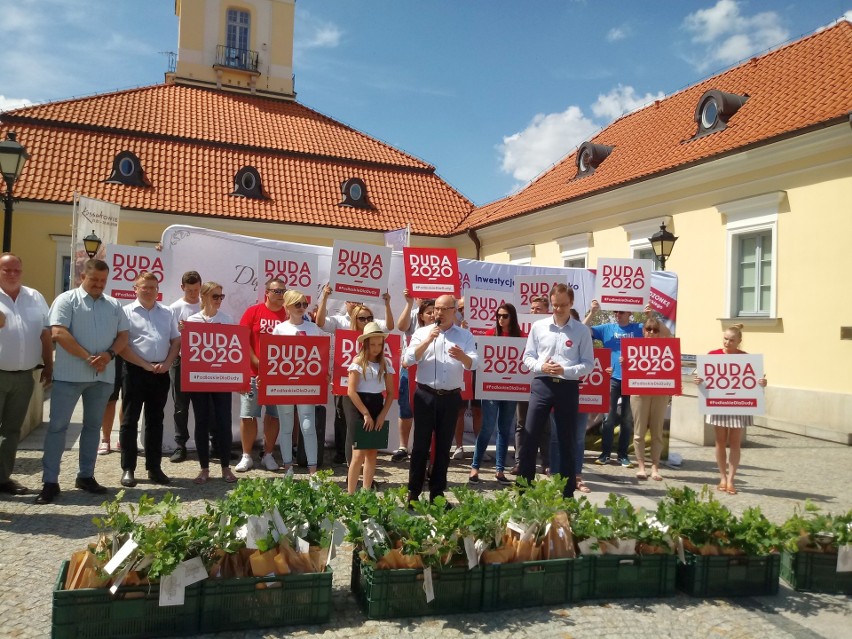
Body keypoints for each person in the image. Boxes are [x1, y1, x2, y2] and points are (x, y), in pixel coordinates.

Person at [36, 259, 129, 504]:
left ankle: (85, 476)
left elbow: (124, 335)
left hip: (103, 376)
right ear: (82, 277)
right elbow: (58, 332)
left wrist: (108, 355)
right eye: (94, 280)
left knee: (92, 428)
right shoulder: (66, 300)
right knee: (58, 428)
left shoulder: (114, 305)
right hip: (70, 376)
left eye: (102, 281)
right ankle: (50, 481)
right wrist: (88, 357)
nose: (98, 284)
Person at [520, 284, 594, 497]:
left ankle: (568, 493)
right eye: (555, 306)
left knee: (566, 439)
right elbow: (527, 357)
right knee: (530, 436)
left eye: (563, 305)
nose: (559, 309)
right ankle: (524, 490)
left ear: (571, 303)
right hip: (542, 384)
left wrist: (566, 370)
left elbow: (588, 364)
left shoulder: (581, 330)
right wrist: (541, 366)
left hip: (567, 386)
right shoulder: (539, 327)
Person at [404, 294, 477, 504]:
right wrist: (427, 341)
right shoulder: (422, 332)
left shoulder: (464, 335)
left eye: (444, 309)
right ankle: (413, 492)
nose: (439, 313)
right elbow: (408, 360)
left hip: (451, 397)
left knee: (444, 447)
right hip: (425, 394)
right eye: (436, 309)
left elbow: (474, 363)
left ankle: (437, 493)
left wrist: (463, 357)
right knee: (420, 446)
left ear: (454, 311)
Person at [117, 272, 181, 487]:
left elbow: (175, 341)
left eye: (153, 287)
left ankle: (154, 468)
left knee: (155, 422)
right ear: (135, 288)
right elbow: (122, 346)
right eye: (144, 287)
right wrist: (145, 365)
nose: (149, 290)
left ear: (157, 289)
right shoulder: (125, 312)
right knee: (129, 421)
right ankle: (128, 468)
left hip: (160, 372)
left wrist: (167, 363)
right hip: (135, 371)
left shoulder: (167, 312)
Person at [317, 285, 393, 464]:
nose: (366, 320)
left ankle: (363, 468)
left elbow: (389, 327)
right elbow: (320, 323)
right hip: (345, 382)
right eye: (362, 318)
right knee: (345, 422)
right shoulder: (340, 321)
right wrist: (325, 298)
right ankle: (344, 457)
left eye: (369, 318)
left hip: (367, 388)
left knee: (360, 428)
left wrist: (388, 304)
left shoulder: (374, 329)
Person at [0, 253, 52, 496]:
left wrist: (49, 365)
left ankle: (2, 478)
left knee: (12, 431)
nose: (12, 274)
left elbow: (45, 333)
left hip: (24, 376)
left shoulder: (34, 297)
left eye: (16, 270)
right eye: (6, 269)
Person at [694, 324, 767, 495]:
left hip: (739, 404)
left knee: (735, 442)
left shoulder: (746, 358)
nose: (727, 343)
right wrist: (698, 380)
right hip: (718, 403)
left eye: (732, 340)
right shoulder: (713, 355)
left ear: (739, 341)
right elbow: (701, 375)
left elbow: (757, 378)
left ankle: (731, 479)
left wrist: (762, 383)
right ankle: (722, 477)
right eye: (725, 339)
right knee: (720, 441)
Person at [584, 300, 656, 468]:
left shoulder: (638, 328)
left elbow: (656, 335)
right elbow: (581, 330)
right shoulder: (607, 328)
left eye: (621, 312)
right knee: (608, 419)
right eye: (616, 311)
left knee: (627, 420)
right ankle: (605, 454)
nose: (617, 314)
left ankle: (623, 456)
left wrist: (650, 316)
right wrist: (592, 312)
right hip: (612, 379)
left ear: (630, 313)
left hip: (633, 381)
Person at [185, 282, 237, 484]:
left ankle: (225, 467)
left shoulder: (227, 319)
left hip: (221, 378)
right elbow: (186, 352)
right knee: (202, 422)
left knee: (224, 422)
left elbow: (234, 348)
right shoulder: (191, 320)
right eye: (215, 296)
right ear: (204, 296)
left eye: (221, 296)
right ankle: (204, 468)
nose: (218, 300)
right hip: (199, 379)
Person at [271, 289, 325, 476]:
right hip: (284, 383)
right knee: (286, 426)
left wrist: (325, 374)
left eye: (304, 304)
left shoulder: (312, 328)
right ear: (287, 307)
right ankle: (288, 469)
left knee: (308, 426)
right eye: (297, 304)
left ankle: (313, 472)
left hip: (307, 383)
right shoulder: (279, 329)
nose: (302, 308)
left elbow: (320, 355)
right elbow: (273, 358)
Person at [236, 278, 287, 472]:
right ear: (267, 292)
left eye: (283, 291)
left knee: (274, 416)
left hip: (277, 376)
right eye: (277, 291)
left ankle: (268, 454)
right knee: (248, 415)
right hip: (253, 373)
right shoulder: (253, 311)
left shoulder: (287, 314)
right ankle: (247, 455)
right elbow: (243, 338)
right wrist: (256, 361)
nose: (281, 295)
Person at [469, 303, 522, 485]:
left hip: (511, 389)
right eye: (498, 315)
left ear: (512, 317)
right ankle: (475, 467)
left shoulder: (521, 336)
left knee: (504, 430)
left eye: (505, 316)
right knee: (487, 427)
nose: (501, 319)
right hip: (491, 389)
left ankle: (499, 470)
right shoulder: (490, 335)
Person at [344, 321, 395, 494]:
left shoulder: (386, 363)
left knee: (372, 453)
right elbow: (351, 391)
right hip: (359, 407)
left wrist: (381, 415)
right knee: (358, 453)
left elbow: (390, 393)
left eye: (379, 344)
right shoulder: (358, 361)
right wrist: (365, 413)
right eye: (372, 344)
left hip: (376, 405)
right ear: (365, 343)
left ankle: (366, 492)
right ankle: (350, 493)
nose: (376, 348)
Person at [392, 295, 435, 463]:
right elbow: (401, 326)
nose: (432, 315)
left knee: (429, 410)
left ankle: (429, 447)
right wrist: (409, 304)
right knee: (406, 407)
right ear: (421, 315)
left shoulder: (443, 325)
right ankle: (403, 447)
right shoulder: (414, 314)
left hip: (430, 370)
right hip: (409, 369)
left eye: (434, 312)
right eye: (428, 312)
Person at [512, 295, 551, 475]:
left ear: (547, 311)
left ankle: (546, 463)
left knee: (544, 425)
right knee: (521, 424)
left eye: (539, 309)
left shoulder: (552, 330)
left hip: (543, 383)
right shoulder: (521, 330)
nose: (534, 312)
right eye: (532, 308)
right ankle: (520, 462)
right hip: (522, 383)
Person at [630, 316, 672, 483]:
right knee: (639, 432)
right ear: (643, 331)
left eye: (655, 330)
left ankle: (655, 466)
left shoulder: (666, 346)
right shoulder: (635, 347)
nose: (652, 333)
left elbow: (669, 334)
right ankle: (641, 466)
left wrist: (653, 316)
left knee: (657, 431)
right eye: (649, 329)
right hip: (639, 392)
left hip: (660, 393)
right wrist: (624, 362)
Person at [167, 270, 202, 463]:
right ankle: (180, 446)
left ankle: (209, 442)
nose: (194, 294)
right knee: (180, 406)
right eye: (190, 290)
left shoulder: (205, 304)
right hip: (180, 361)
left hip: (202, 362)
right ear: (182, 288)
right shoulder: (174, 308)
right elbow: (170, 337)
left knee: (205, 406)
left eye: (196, 290)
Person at [452, 296, 482, 460]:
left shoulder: (484, 324)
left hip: (479, 370)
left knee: (478, 410)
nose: (465, 311)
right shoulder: (452, 328)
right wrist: (463, 330)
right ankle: (458, 446)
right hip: (460, 370)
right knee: (459, 411)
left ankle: (479, 447)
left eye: (468, 307)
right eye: (461, 308)